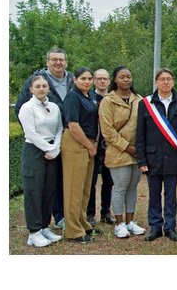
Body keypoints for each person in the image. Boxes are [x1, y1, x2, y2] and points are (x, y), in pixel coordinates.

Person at [15, 47, 74, 229]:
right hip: (39, 145)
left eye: (61, 60)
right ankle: (43, 225)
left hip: (67, 138)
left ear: (66, 62)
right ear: (47, 62)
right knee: (39, 188)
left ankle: (60, 218)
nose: (58, 63)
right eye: (54, 59)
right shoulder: (36, 81)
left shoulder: (72, 79)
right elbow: (20, 109)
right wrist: (45, 145)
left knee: (58, 182)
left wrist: (56, 144)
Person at [137, 68, 177, 242]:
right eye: (162, 79)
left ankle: (170, 227)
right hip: (152, 158)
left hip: (174, 158)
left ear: (173, 81)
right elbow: (140, 134)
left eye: (169, 79)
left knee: (170, 195)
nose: (166, 82)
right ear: (156, 82)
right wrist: (142, 159)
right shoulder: (145, 104)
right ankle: (155, 227)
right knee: (153, 194)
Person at [99, 66, 145, 239]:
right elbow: (107, 131)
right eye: (122, 77)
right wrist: (128, 147)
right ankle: (119, 224)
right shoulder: (108, 101)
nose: (126, 79)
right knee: (120, 188)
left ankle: (130, 221)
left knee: (133, 187)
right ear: (115, 80)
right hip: (119, 152)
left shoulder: (139, 100)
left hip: (137, 153)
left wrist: (139, 149)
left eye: (128, 76)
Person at [18, 75, 64, 247]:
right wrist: (49, 149)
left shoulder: (54, 107)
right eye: (37, 86)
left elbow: (59, 128)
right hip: (35, 151)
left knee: (48, 191)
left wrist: (56, 148)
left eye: (44, 85)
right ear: (31, 89)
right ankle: (34, 232)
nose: (41, 88)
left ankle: (44, 227)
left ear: (48, 88)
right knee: (34, 192)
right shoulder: (27, 108)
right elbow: (30, 133)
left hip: (52, 151)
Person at [61, 67, 103, 243]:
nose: (86, 81)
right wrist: (89, 146)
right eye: (82, 78)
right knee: (73, 189)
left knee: (85, 188)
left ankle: (82, 222)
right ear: (75, 80)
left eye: (89, 78)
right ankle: (73, 231)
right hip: (76, 142)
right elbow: (73, 125)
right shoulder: (73, 97)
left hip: (89, 144)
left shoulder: (91, 96)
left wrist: (94, 144)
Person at [87, 68, 114, 226]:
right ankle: (90, 213)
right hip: (93, 144)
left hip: (109, 145)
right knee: (91, 181)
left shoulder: (112, 98)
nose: (102, 81)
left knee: (109, 181)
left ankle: (105, 212)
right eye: (99, 79)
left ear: (109, 81)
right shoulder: (89, 98)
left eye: (105, 79)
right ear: (94, 81)